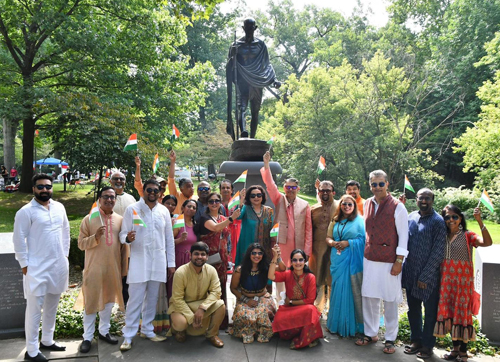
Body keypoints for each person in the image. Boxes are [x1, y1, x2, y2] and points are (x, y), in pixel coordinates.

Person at [13, 174, 70, 362]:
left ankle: (47, 340)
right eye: (40, 187)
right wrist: (24, 265)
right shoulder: (25, 212)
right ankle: (31, 351)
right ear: (33, 189)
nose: (45, 190)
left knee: (52, 307)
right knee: (34, 310)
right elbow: (19, 240)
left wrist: (65, 256)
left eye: (48, 186)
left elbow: (65, 232)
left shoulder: (59, 207)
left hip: (58, 266)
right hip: (36, 268)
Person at [118, 179, 175, 351]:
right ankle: (128, 335)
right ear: (143, 191)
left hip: (158, 260)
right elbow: (122, 234)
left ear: (159, 193)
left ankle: (148, 329)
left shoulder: (164, 211)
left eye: (155, 190)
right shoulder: (132, 209)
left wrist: (170, 263)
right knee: (135, 299)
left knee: (152, 298)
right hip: (139, 260)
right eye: (149, 190)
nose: (152, 193)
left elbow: (169, 239)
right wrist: (128, 238)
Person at [355, 170, 408, 355]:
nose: (377, 187)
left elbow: (404, 236)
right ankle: (371, 333)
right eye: (374, 184)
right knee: (369, 296)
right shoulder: (368, 203)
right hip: (370, 258)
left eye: (380, 184)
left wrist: (399, 260)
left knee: (390, 299)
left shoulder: (398, 207)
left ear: (387, 184)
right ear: (370, 185)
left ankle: (391, 338)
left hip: (390, 261)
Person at [434, 205, 492, 362]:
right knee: (451, 315)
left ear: (460, 218)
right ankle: (454, 350)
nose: (450, 220)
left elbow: (487, 242)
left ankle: (463, 353)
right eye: (447, 217)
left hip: (463, 285)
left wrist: (480, 221)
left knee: (462, 316)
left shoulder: (468, 235)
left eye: (454, 217)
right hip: (446, 284)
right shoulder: (442, 235)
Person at [77, 187, 128, 353]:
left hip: (112, 269)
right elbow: (81, 244)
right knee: (91, 303)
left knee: (108, 303)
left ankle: (104, 331)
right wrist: (96, 237)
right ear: (99, 199)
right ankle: (87, 337)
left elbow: (123, 248)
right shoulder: (89, 218)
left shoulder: (120, 220)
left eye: (112, 197)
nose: (109, 200)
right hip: (94, 269)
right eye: (106, 197)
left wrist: (123, 270)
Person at [399, 189, 446, 359]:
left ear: (432, 200)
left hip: (429, 277)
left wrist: (425, 276)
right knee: (413, 310)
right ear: (416, 199)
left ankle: (427, 345)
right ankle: (416, 340)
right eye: (421, 198)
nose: (424, 201)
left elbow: (438, 252)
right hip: (410, 273)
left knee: (430, 312)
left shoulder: (438, 222)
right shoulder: (411, 217)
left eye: (427, 198)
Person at [261, 150, 312, 302]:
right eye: (288, 187)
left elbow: (309, 230)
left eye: (293, 188)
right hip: (281, 244)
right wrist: (266, 164)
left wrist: (307, 251)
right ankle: (280, 302)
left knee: (297, 274)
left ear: (298, 189)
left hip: (298, 245)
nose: (290, 190)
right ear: (284, 188)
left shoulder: (305, 204)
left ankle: (295, 302)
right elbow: (270, 185)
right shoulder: (279, 199)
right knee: (281, 274)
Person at [226, 18, 280, 140]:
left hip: (257, 82)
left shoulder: (261, 45)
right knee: (242, 108)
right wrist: (232, 56)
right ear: (243, 28)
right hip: (242, 82)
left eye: (252, 28)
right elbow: (230, 65)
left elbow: (267, 65)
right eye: (247, 28)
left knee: (255, 111)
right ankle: (244, 132)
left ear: (255, 28)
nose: (249, 30)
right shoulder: (236, 45)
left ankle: (252, 138)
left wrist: (274, 80)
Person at [196, 192, 241, 329]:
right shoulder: (205, 218)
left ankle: (221, 322)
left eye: (217, 201)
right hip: (208, 258)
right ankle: (206, 322)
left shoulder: (222, 217)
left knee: (221, 289)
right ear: (207, 204)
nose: (214, 203)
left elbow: (226, 235)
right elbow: (215, 228)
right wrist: (231, 218)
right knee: (209, 290)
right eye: (211, 201)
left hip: (221, 258)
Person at [168, 242, 226, 348]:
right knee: (181, 324)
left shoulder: (211, 270)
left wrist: (203, 308)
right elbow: (177, 299)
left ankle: (212, 335)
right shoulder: (181, 272)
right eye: (196, 254)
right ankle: (179, 331)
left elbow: (216, 292)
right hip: (181, 306)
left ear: (207, 257)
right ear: (190, 255)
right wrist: (191, 318)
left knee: (220, 305)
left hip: (201, 304)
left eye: (203, 254)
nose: (199, 257)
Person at [326, 194, 365, 337]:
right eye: (344, 204)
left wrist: (348, 243)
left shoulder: (359, 221)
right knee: (337, 290)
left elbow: (363, 239)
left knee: (350, 290)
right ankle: (335, 323)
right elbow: (328, 237)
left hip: (352, 259)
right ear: (340, 206)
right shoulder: (335, 220)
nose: (347, 206)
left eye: (350, 204)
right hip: (337, 258)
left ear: (354, 206)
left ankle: (351, 326)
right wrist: (332, 243)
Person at [268, 248, 323, 349]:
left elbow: (310, 300)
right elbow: (271, 276)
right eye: (295, 260)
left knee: (311, 310)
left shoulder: (310, 277)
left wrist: (292, 302)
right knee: (279, 318)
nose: (298, 263)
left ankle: (304, 340)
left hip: (304, 308)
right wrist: (275, 257)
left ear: (305, 261)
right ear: (291, 261)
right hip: (289, 308)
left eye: (301, 260)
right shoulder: (288, 274)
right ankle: (302, 335)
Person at [229, 243, 281, 343]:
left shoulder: (266, 268)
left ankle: (263, 333)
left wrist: (277, 256)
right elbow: (233, 288)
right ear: (249, 254)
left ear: (263, 255)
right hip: (245, 299)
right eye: (254, 253)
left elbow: (282, 269)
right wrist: (246, 300)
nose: (257, 256)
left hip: (263, 297)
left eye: (259, 253)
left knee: (262, 314)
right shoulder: (240, 270)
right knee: (244, 315)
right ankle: (247, 333)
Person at [310, 180, 338, 314]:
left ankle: (332, 310)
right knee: (317, 279)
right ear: (319, 192)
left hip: (335, 249)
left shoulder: (340, 207)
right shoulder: (313, 209)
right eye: (322, 190)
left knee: (332, 279)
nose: (325, 193)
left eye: (328, 190)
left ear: (333, 192)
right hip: (317, 249)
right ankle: (318, 310)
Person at [110, 170, 136, 306]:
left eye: (121, 179)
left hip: (128, 241)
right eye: (116, 179)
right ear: (110, 181)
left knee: (127, 271)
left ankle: (126, 300)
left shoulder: (131, 198)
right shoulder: (106, 197)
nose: (119, 181)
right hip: (111, 241)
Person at [234, 186, 274, 266]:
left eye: (259, 195)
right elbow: (237, 216)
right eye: (253, 196)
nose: (256, 197)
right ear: (248, 197)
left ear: (262, 196)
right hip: (247, 246)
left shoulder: (269, 211)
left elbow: (272, 229)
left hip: (264, 248)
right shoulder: (245, 209)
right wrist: (241, 200)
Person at [167, 150, 196, 215]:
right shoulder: (176, 196)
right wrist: (173, 161)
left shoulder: (195, 199)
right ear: (181, 189)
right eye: (188, 186)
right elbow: (171, 179)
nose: (192, 188)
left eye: (192, 186)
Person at [220, 179, 241, 263]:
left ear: (232, 190)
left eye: (228, 188)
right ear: (220, 190)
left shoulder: (237, 202)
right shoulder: (216, 202)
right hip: (222, 231)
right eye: (223, 188)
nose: (225, 190)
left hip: (235, 231)